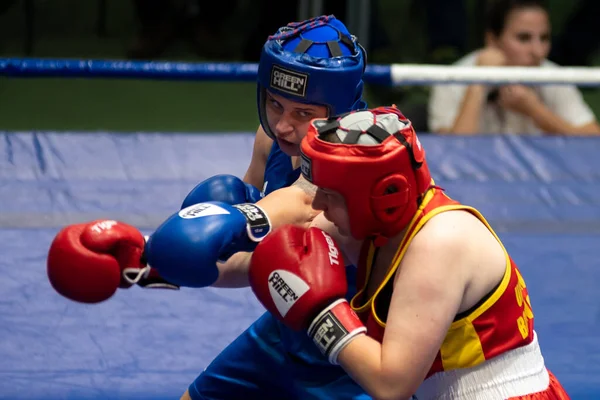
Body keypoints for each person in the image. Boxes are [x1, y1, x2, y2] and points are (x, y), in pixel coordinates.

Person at [46, 15, 374, 400]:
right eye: (274, 104)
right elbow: (248, 253)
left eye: (303, 113)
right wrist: (144, 261)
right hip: (282, 335)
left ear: (339, 111)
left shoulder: (365, 162)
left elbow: (299, 204)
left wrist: (217, 230)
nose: (283, 126)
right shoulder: (271, 143)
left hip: (355, 351)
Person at [248, 105, 571, 399]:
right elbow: (277, 250)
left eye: (330, 195)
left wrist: (322, 314)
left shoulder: (440, 243)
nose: (318, 204)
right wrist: (214, 240)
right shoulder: (373, 226)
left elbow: (391, 386)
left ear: (380, 197)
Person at [428, 0, 600, 136]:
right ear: (492, 40)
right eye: (523, 38)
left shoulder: (553, 76)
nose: (537, 51)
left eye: (544, 38)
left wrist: (535, 111)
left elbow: (593, 141)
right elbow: (452, 155)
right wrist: (477, 85)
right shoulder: (451, 79)